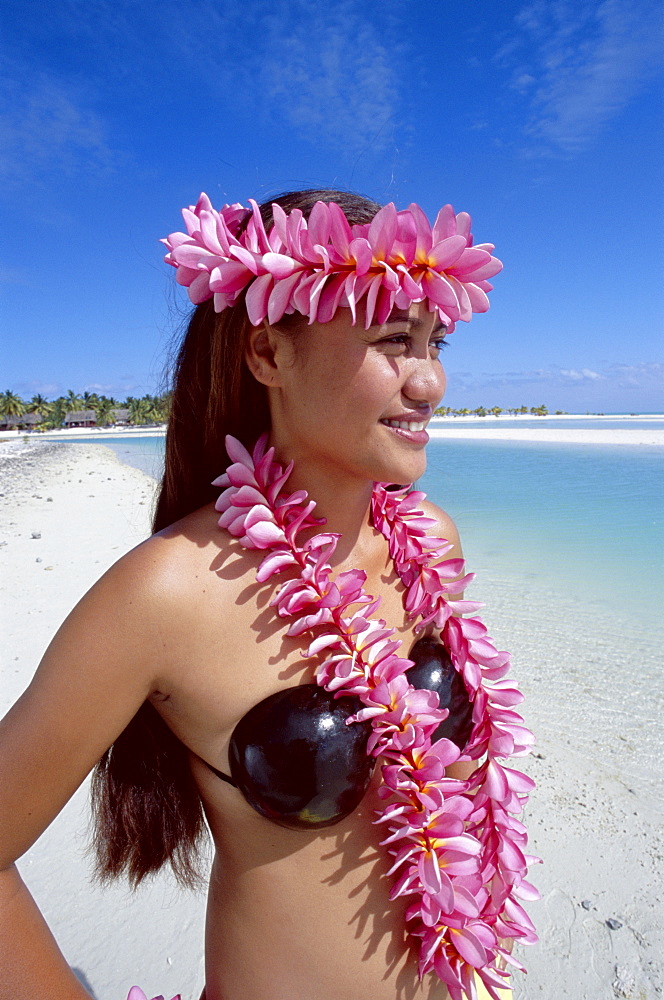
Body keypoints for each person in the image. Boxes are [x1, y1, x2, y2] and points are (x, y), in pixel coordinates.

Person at [0, 189, 537, 1000]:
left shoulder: (429, 540)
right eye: (394, 340)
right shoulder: (167, 593)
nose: (429, 380)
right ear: (268, 356)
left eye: (436, 341)